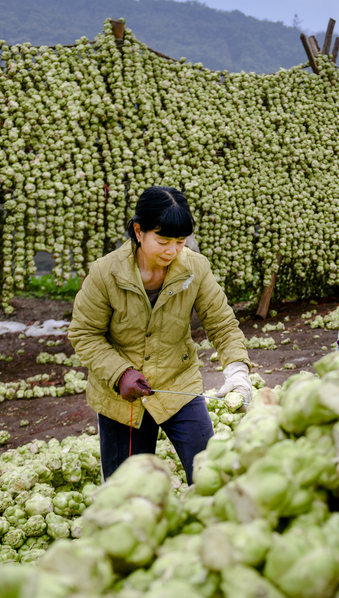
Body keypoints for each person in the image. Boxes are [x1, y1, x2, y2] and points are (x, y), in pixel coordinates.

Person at [68, 186, 253, 483]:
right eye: (163, 240)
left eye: (180, 241)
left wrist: (236, 370)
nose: (172, 251)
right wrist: (120, 373)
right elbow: (84, 333)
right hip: (122, 399)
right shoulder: (105, 274)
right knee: (126, 494)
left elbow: (222, 325)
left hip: (178, 384)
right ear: (139, 232)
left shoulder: (195, 269)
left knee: (211, 477)